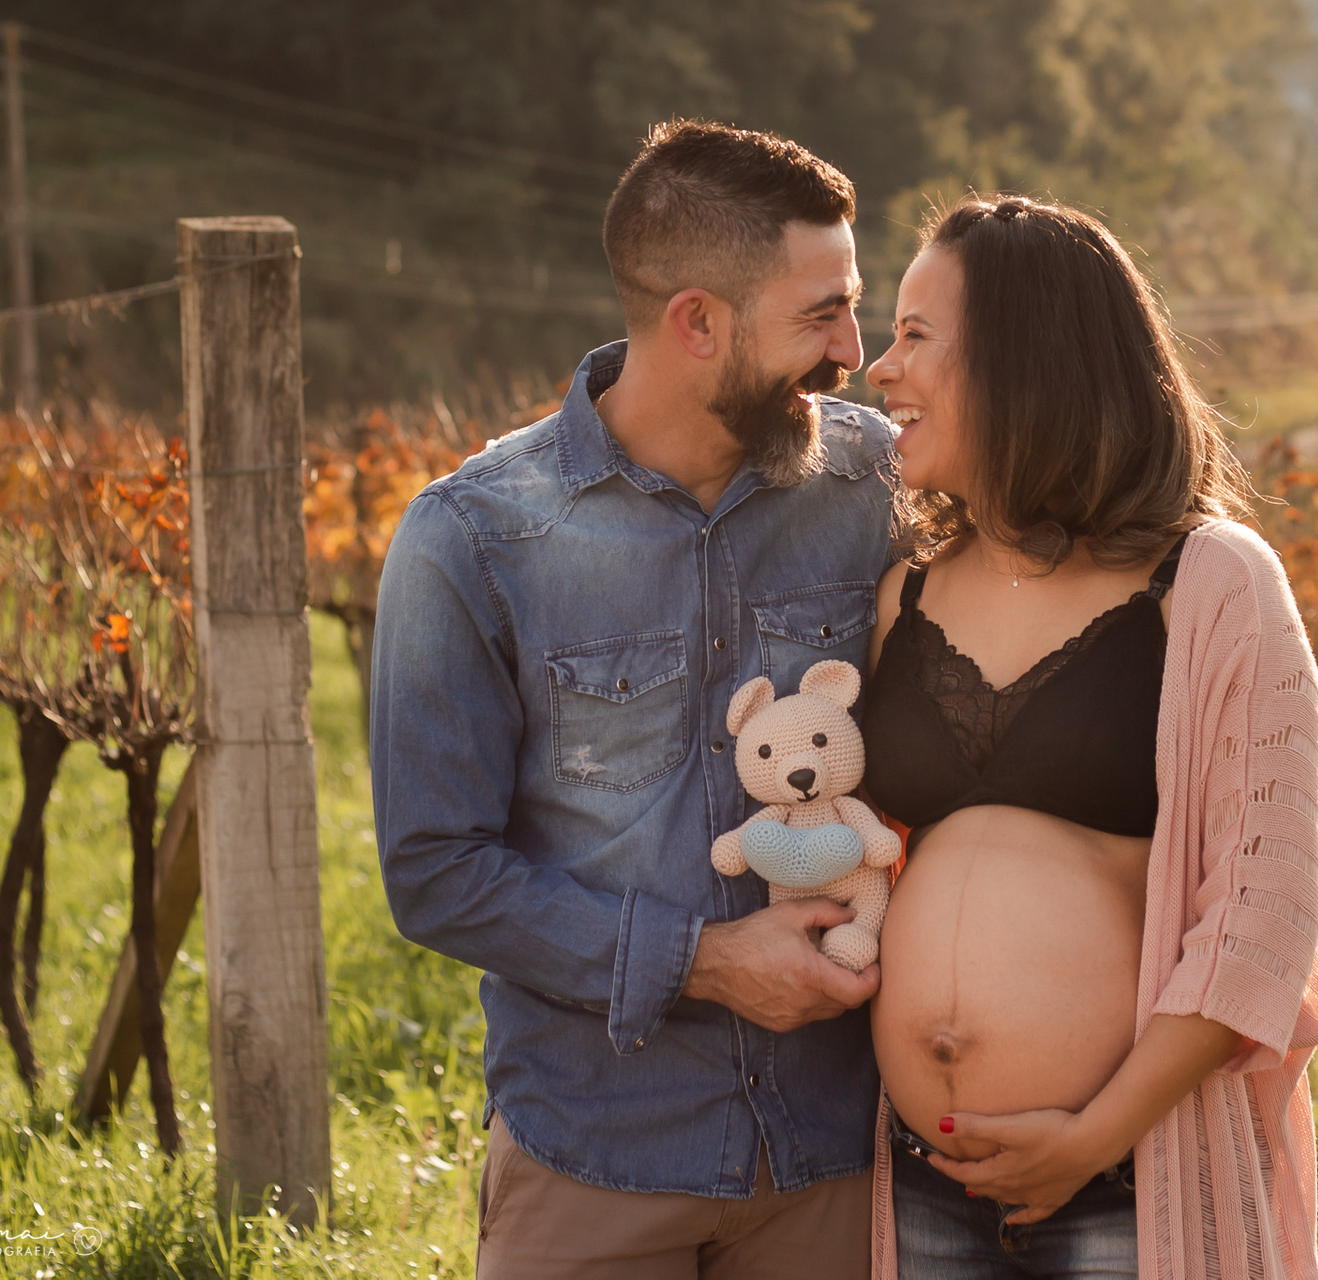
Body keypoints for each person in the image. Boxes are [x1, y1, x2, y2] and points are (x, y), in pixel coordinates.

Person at [371, 120, 899, 1279]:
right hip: (595, 1159)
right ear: (697, 321)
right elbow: (434, 869)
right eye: (821, 314)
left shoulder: (878, 487)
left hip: (837, 1160)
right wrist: (707, 961)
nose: (855, 351)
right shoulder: (473, 539)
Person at [857, 194, 1318, 1279]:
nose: (879, 369)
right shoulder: (903, 591)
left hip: (1130, 1180)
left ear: (1024, 357)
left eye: (915, 336)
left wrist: (1093, 1135)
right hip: (920, 1181)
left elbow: (1263, 913)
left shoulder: (1212, 583)